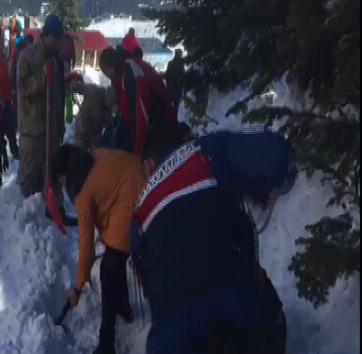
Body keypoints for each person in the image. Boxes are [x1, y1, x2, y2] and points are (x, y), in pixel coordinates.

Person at [130, 122, 295, 354]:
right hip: (238, 324)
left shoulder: (138, 216)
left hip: (170, 342)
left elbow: (151, 293)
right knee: (263, 295)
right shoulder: (206, 151)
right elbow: (277, 158)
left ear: (148, 165)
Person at [51, 145, 147, 354]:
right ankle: (123, 306)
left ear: (65, 174)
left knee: (109, 270)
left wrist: (77, 288)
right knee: (115, 257)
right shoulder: (94, 156)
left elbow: (86, 244)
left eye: (60, 181)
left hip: (133, 200)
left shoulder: (82, 191)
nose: (63, 186)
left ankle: (106, 344)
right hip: (143, 182)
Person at [16, 14, 77, 226]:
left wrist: (60, 125)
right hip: (33, 130)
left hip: (51, 129)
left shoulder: (56, 59)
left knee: (53, 174)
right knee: (27, 178)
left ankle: (56, 211)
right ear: (48, 35)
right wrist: (42, 76)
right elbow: (22, 89)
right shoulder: (27, 56)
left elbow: (58, 95)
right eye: (57, 39)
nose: (60, 44)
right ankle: (20, 221)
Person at [99, 47, 176, 155]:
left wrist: (140, 150)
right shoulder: (126, 72)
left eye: (107, 73)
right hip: (157, 129)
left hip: (159, 131)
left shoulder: (129, 71)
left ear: (110, 69)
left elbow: (141, 111)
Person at [71, 82, 117, 150]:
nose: (111, 103)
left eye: (114, 101)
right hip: (82, 128)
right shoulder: (93, 91)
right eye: (110, 97)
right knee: (79, 151)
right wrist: (75, 86)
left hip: (94, 136)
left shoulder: (109, 113)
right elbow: (80, 88)